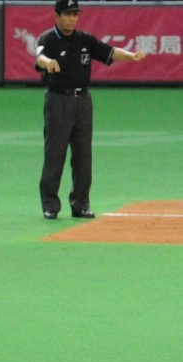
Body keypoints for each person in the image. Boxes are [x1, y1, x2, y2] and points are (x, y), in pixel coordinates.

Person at [35, 0, 145, 220]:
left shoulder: (84, 39)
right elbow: (39, 57)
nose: (72, 18)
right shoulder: (48, 38)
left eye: (75, 14)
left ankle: (81, 204)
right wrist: (47, 62)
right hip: (58, 100)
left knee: (83, 155)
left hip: (83, 101)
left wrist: (131, 56)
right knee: (55, 153)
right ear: (57, 16)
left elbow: (110, 51)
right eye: (67, 14)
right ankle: (50, 205)